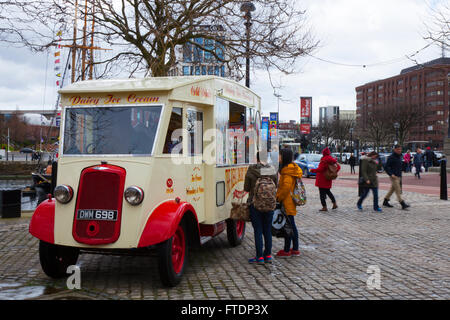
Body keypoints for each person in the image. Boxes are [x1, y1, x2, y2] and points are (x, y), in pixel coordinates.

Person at [244, 152, 278, 264]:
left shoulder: (251, 169)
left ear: (257, 158)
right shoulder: (272, 169)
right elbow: (276, 185)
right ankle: (268, 255)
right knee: (267, 230)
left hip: (255, 204)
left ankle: (259, 257)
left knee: (258, 230)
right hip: (269, 204)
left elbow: (246, 188)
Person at [275, 148, 303, 258]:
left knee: (288, 227)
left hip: (287, 203)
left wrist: (278, 197)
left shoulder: (287, 172)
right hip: (290, 202)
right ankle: (295, 248)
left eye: (280, 155)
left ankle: (287, 250)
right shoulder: (290, 169)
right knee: (291, 226)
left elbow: (285, 188)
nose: (278, 157)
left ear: (284, 157)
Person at [310, 147, 341, 212]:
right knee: (328, 192)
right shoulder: (332, 160)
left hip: (322, 179)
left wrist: (312, 170)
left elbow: (320, 169)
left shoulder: (324, 160)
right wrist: (332, 173)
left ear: (323, 153)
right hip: (328, 178)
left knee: (322, 194)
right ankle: (334, 203)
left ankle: (324, 207)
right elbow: (338, 167)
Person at [383, 145, 410, 210]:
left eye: (400, 149)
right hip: (394, 176)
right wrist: (391, 174)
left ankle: (385, 201)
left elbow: (399, 165)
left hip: (399, 175)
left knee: (392, 190)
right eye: (398, 149)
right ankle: (402, 203)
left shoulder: (400, 156)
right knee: (398, 190)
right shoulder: (391, 157)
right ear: (394, 149)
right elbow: (386, 167)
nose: (399, 151)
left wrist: (403, 168)